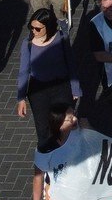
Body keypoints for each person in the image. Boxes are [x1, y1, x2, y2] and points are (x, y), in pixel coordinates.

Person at [16, 9, 82, 151]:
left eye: (38, 28)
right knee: (43, 127)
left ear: (48, 26)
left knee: (65, 123)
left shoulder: (61, 38)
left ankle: (69, 152)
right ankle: (46, 156)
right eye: (31, 27)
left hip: (61, 86)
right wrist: (21, 98)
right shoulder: (27, 43)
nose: (34, 31)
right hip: (38, 91)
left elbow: (70, 63)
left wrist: (75, 88)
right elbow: (23, 71)